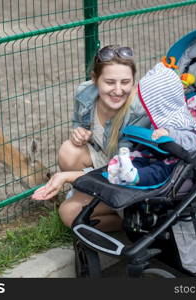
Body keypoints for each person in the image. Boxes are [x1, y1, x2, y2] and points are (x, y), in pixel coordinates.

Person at [32, 45, 150, 232]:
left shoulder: (138, 111)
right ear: (95, 80)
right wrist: (78, 132)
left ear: (133, 80)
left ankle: (132, 220)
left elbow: (120, 170)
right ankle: (89, 198)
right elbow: (78, 122)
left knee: (69, 213)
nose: (118, 90)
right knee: (68, 150)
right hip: (105, 161)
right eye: (110, 82)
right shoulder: (85, 93)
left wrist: (65, 177)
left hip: (127, 180)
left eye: (125, 82)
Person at [107, 62, 196, 186]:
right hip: (157, 153)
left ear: (162, 104)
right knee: (139, 156)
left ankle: (135, 176)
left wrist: (169, 133)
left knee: (160, 170)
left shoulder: (181, 119)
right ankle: (121, 171)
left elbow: (193, 140)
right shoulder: (161, 118)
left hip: (178, 161)